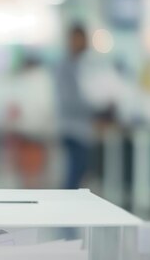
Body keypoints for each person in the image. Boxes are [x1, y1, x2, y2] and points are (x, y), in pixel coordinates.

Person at [55, 24, 96, 190]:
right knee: (75, 173)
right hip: (72, 129)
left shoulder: (86, 64)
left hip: (85, 130)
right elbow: (68, 101)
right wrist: (97, 107)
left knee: (82, 172)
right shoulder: (65, 67)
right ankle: (66, 209)